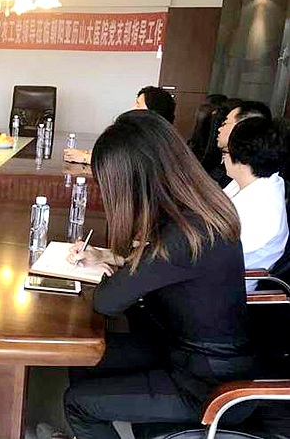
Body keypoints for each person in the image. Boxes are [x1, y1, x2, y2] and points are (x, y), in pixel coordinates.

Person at [63, 110, 254, 438]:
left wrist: (112, 270)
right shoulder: (194, 214)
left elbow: (108, 301)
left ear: (135, 182)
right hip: (178, 349)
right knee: (82, 358)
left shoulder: (186, 236)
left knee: (78, 404)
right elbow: (155, 270)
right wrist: (106, 258)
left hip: (206, 383)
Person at [222, 117, 288, 290]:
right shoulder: (251, 181)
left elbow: (216, 253)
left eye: (226, 152)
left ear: (243, 160)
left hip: (226, 285)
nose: (224, 158)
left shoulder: (262, 211)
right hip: (214, 267)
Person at [64, 86, 176, 164]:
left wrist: (85, 158)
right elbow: (122, 153)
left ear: (153, 111)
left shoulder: (157, 141)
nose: (132, 109)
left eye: (138, 104)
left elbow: (127, 165)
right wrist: (89, 153)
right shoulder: (150, 133)